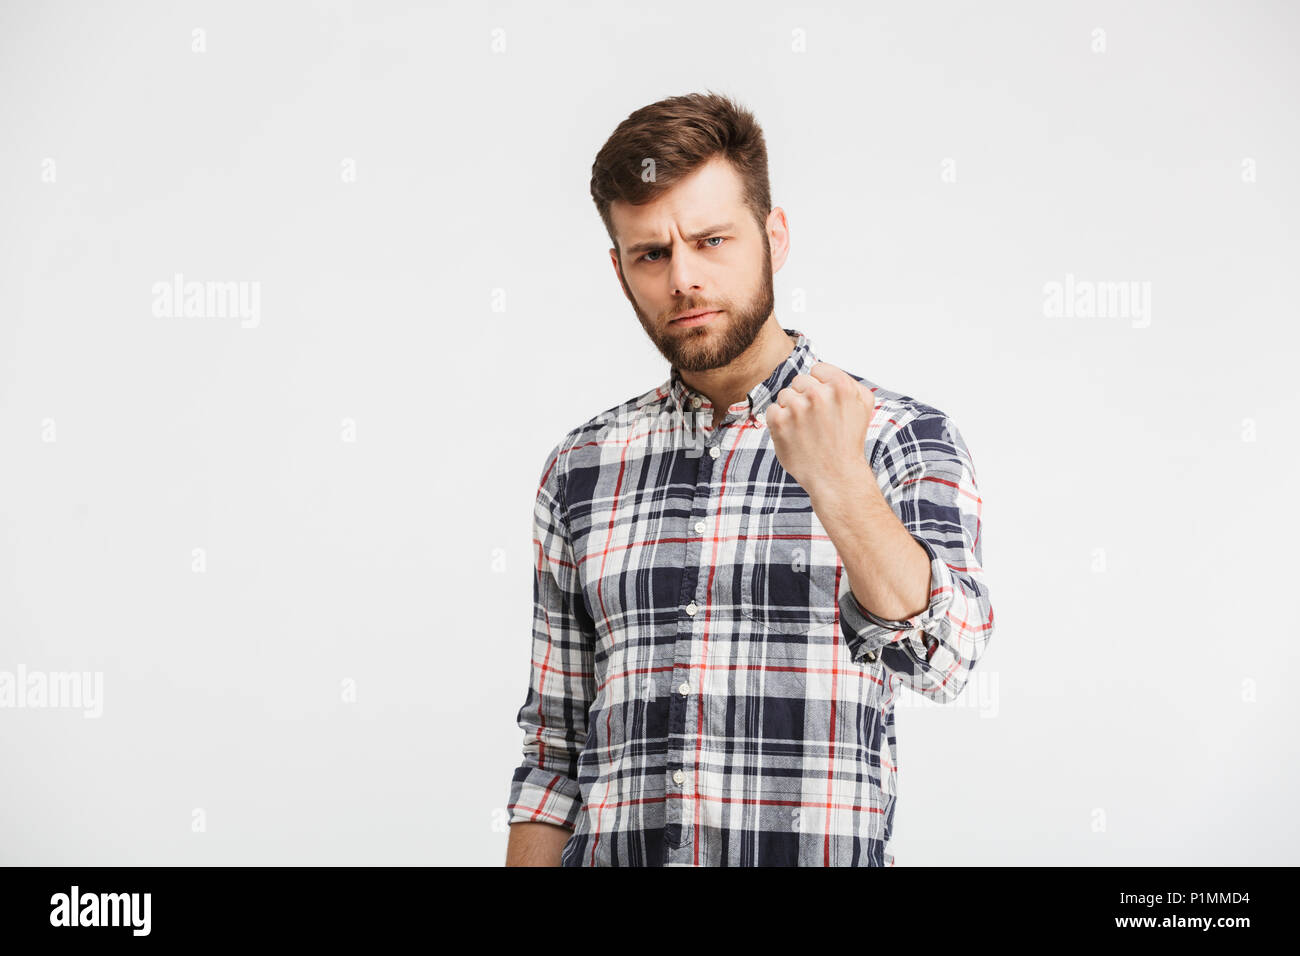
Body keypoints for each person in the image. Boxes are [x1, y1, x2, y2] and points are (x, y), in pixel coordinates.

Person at [504, 91, 994, 866]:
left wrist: (840, 480)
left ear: (775, 236)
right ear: (620, 268)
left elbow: (945, 659)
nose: (684, 280)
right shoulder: (581, 467)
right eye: (652, 254)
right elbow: (553, 746)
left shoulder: (899, 435)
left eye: (712, 240)